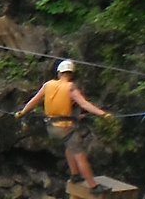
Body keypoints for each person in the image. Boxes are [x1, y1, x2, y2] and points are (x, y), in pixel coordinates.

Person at [19, 57, 111, 188]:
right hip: (65, 128)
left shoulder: (47, 85)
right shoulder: (70, 88)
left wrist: (22, 112)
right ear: (72, 74)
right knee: (80, 155)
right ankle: (93, 186)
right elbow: (84, 104)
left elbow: (33, 101)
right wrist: (103, 114)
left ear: (59, 73)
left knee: (69, 146)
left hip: (51, 127)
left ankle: (75, 175)